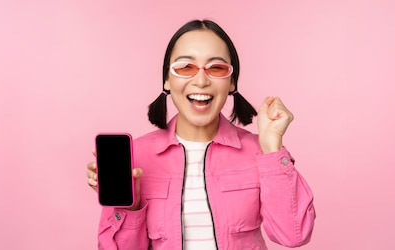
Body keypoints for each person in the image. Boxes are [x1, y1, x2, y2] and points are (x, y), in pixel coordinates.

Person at [86, 19, 315, 249]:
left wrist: (272, 149)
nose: (201, 81)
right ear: (167, 79)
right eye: (185, 67)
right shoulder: (136, 157)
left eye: (216, 68)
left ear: (232, 81)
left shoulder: (261, 154)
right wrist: (129, 206)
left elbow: (293, 235)